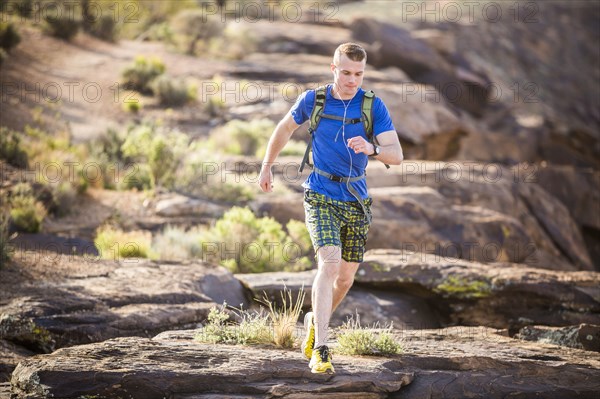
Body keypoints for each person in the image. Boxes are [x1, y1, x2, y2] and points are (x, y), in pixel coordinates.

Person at [258, 42, 403, 373]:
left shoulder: (372, 106)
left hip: (356, 198)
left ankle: (313, 321)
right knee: (330, 264)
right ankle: (321, 347)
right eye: (347, 72)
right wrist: (267, 165)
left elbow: (396, 154)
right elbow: (284, 128)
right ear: (333, 69)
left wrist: (372, 148)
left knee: (346, 278)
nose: (353, 80)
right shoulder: (314, 100)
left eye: (359, 74)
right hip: (320, 191)